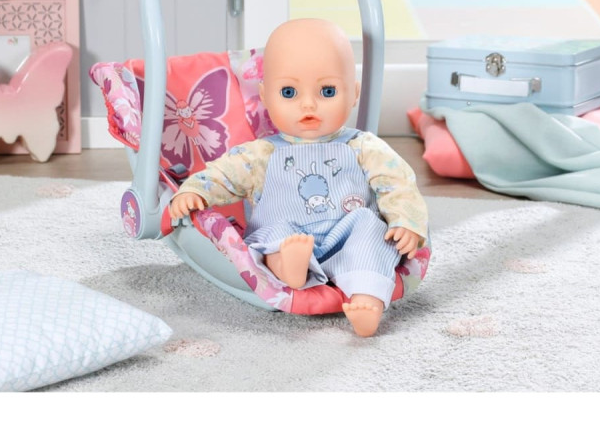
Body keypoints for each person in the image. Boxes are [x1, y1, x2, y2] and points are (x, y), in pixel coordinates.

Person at [169, 18, 428, 337]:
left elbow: (398, 182)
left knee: (372, 228)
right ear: (265, 96)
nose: (308, 104)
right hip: (288, 235)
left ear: (354, 93)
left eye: (327, 91)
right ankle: (289, 268)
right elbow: (222, 175)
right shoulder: (260, 153)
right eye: (289, 92)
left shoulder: (364, 147)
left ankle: (367, 300)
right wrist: (195, 191)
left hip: (346, 235)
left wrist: (405, 221)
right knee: (269, 235)